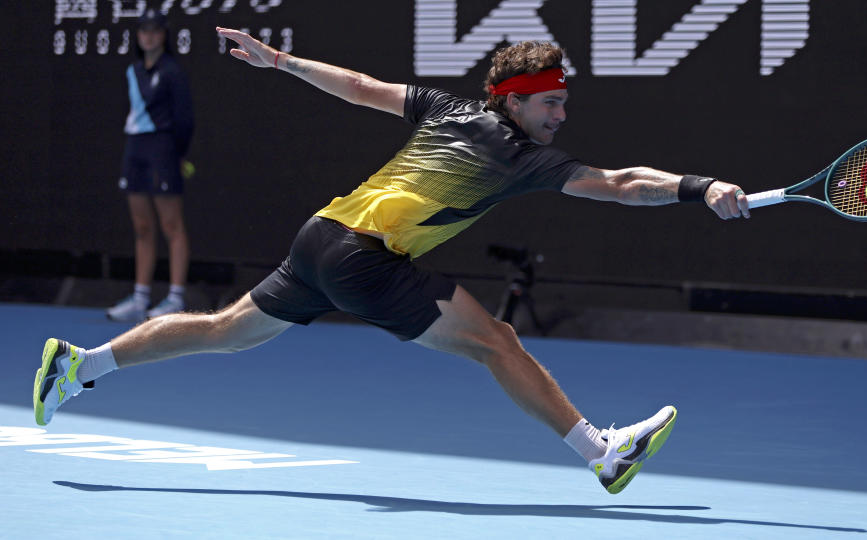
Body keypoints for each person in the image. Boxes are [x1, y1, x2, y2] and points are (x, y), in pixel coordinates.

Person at [34, 28, 751, 494]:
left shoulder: (444, 108)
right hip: (362, 256)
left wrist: (280, 61)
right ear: (519, 102)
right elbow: (623, 185)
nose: (562, 117)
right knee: (496, 343)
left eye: (564, 105)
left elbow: (356, 84)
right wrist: (702, 188)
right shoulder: (522, 155)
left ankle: (80, 364)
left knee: (225, 329)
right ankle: (601, 453)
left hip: (319, 235)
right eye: (553, 104)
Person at [106, 8, 194, 322]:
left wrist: (176, 153)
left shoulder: (172, 72)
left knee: (172, 226)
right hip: (135, 149)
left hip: (163, 149)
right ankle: (141, 297)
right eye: (144, 30)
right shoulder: (133, 71)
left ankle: (175, 297)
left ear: (163, 35)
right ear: (139, 35)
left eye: (155, 30)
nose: (149, 36)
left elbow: (185, 119)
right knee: (142, 227)